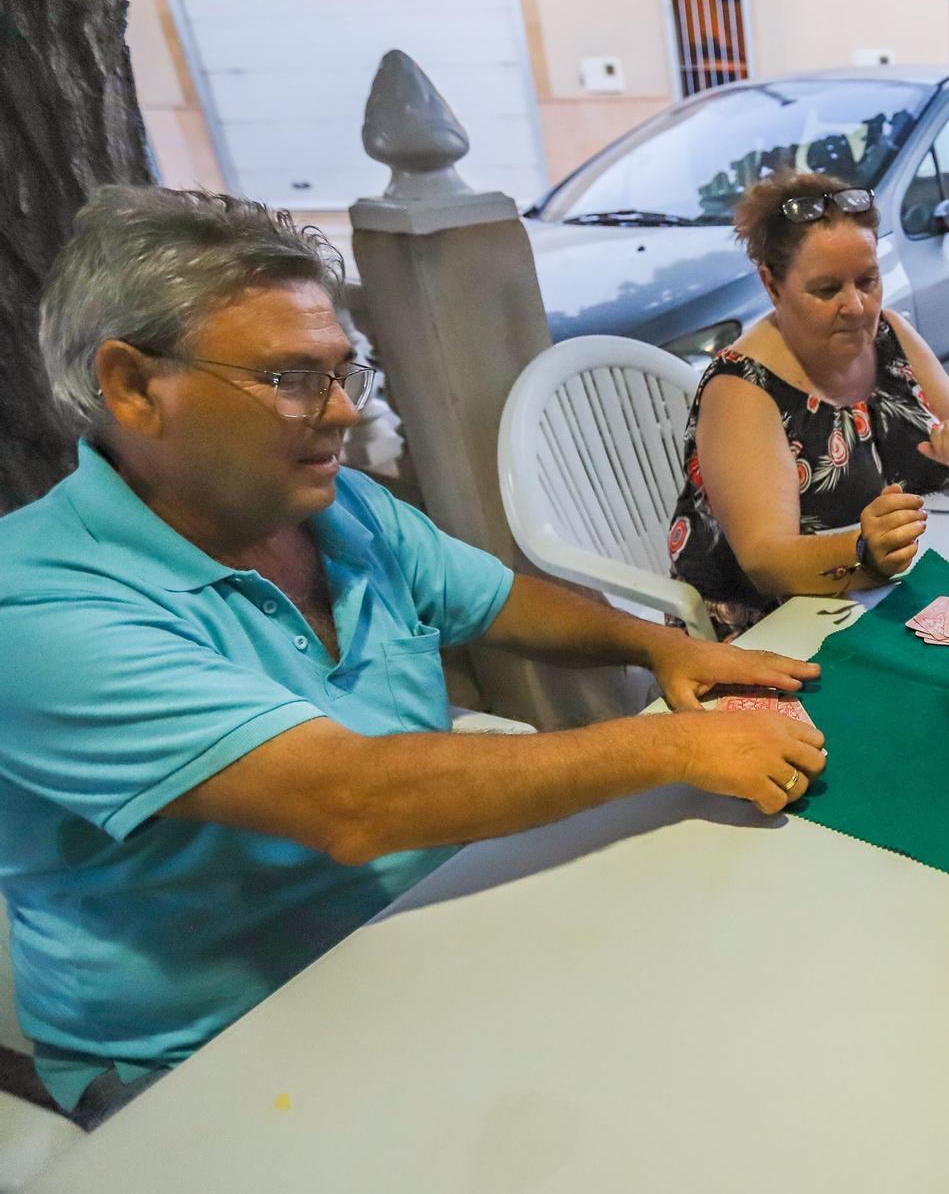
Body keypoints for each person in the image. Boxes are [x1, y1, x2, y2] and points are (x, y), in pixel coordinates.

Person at [0, 188, 828, 1128]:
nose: (344, 410)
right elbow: (348, 800)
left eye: (342, 370)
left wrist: (662, 648)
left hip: (425, 925)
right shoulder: (31, 606)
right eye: (289, 378)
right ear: (133, 385)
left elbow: (502, 600)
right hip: (211, 1053)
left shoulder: (338, 506)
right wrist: (671, 748)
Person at [667, 172, 949, 636]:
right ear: (772, 285)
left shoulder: (892, 336)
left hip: (886, 597)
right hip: (772, 628)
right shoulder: (741, 390)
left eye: (868, 280)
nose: (857, 306)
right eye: (826, 290)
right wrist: (863, 552)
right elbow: (766, 561)